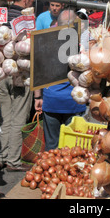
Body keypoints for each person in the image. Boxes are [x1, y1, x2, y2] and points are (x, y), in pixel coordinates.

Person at [33, 9, 87, 150]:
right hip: (74, 102)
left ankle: (51, 172)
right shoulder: (81, 46)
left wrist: (37, 97)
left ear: (57, 24)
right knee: (72, 147)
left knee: (52, 146)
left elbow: (38, 71)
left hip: (51, 100)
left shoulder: (45, 43)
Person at [0, 0, 35, 172]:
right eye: (32, 1)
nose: (32, 5)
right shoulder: (27, 20)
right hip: (20, 72)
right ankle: (13, 160)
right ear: (25, 0)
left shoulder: (2, 15)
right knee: (19, 117)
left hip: (0, 72)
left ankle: (2, 157)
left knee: (6, 117)